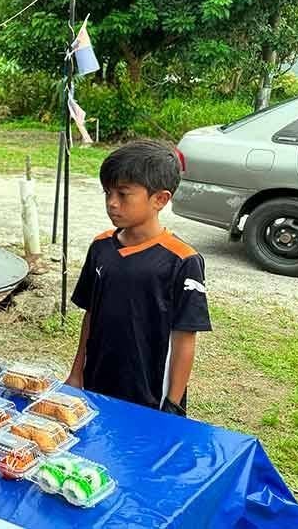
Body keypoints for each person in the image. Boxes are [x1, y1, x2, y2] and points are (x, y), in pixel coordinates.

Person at [66, 140, 211, 415]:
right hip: (97, 381)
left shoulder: (183, 260)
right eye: (107, 193)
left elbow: (184, 339)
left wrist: (173, 404)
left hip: (150, 395)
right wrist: (76, 373)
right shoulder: (101, 246)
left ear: (160, 199)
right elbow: (90, 315)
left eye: (123, 194)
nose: (111, 203)